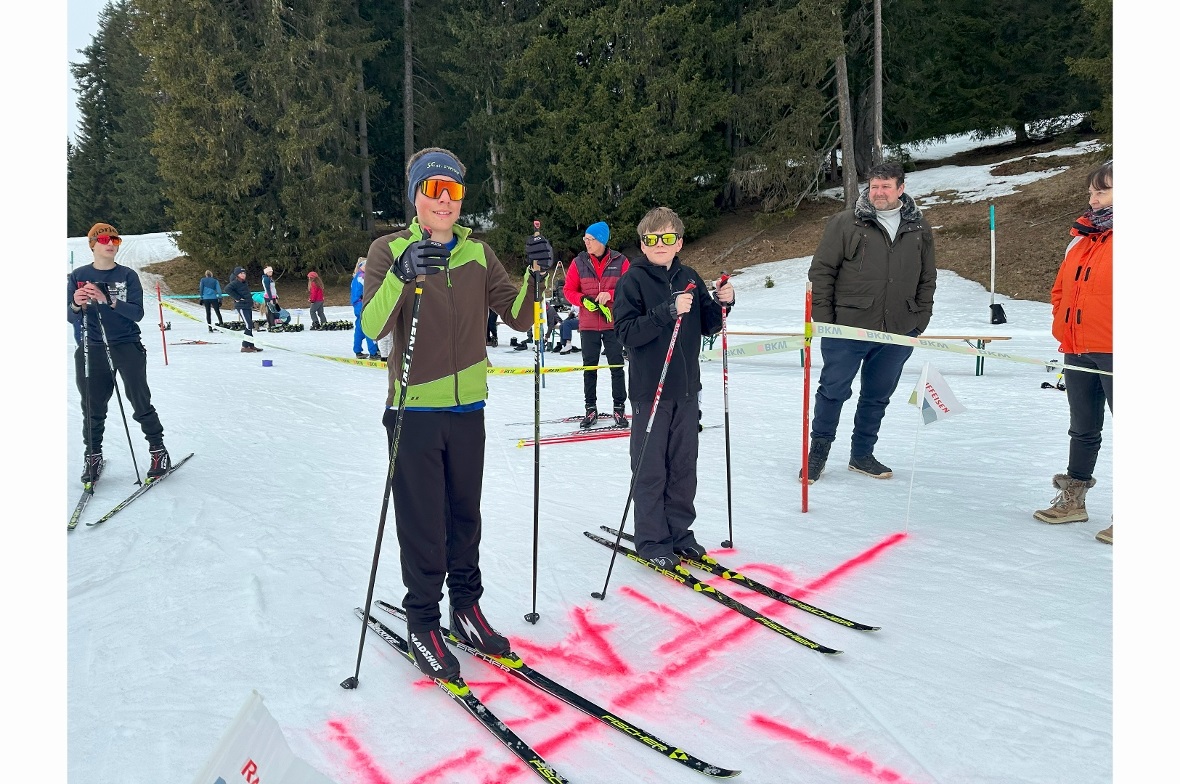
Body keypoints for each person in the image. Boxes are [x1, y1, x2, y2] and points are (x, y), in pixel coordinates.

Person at [360, 146, 551, 680]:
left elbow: (519, 316)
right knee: (424, 523)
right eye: (433, 190)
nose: (445, 202)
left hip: (469, 408)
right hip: (414, 411)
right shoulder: (387, 248)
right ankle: (422, 622)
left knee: (465, 517)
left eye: (455, 191)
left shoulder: (477, 254)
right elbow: (373, 325)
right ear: (416, 195)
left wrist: (539, 276)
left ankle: (465, 607)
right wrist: (402, 273)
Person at [613, 206, 734, 569]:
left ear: (679, 242)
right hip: (650, 390)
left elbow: (710, 323)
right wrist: (665, 311)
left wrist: (725, 300)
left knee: (683, 465)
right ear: (643, 244)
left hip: (685, 390)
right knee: (651, 467)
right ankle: (651, 538)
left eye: (667, 238)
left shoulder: (689, 276)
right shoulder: (632, 280)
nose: (660, 244)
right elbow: (626, 332)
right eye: (652, 239)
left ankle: (679, 533)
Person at [802, 161, 937, 483]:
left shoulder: (919, 228)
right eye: (874, 186)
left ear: (900, 189)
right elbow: (822, 271)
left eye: (886, 186)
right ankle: (818, 452)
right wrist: (824, 321)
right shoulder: (845, 223)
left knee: (877, 394)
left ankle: (862, 454)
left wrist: (919, 320)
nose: (878, 192)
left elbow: (927, 277)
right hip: (847, 326)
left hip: (898, 330)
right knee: (833, 391)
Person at [1033, 160, 1113, 545]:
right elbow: (1060, 291)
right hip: (1078, 348)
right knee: (1083, 428)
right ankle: (1074, 500)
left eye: (1103, 191)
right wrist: (1062, 323)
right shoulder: (1080, 240)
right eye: (1092, 192)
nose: (1093, 198)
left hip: (1119, 351)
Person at [67, 222, 173, 483]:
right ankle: (93, 455)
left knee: (139, 400)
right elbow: (69, 316)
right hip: (92, 346)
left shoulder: (127, 275)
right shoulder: (78, 275)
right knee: (92, 405)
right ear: (93, 244)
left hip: (126, 344)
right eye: (104, 240)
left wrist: (109, 300)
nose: (111, 244)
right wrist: (76, 304)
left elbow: (137, 313)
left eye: (115, 240)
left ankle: (158, 451)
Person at [564, 221, 630, 428]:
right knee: (589, 368)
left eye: (590, 239)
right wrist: (582, 300)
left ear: (602, 240)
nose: (587, 243)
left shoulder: (621, 261)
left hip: (613, 324)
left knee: (617, 367)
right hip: (589, 325)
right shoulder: (579, 262)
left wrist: (609, 294)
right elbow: (568, 290)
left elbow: (629, 290)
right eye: (585, 239)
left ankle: (619, 408)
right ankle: (590, 409)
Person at [226, 266, 262, 353]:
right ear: (237, 275)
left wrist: (252, 302)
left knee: (249, 325)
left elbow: (246, 294)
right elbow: (227, 289)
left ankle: (251, 345)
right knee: (248, 325)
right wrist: (237, 298)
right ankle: (244, 346)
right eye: (241, 273)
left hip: (247, 305)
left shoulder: (243, 282)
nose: (243, 275)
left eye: (244, 273)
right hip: (241, 306)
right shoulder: (235, 282)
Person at [351, 258, 381, 360]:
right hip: (362, 305)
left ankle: (358, 350)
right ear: (362, 266)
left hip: (358, 305)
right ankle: (373, 352)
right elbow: (371, 289)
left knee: (360, 328)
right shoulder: (362, 277)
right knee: (369, 326)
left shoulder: (356, 277)